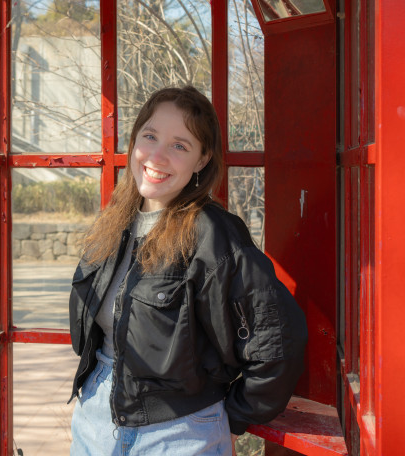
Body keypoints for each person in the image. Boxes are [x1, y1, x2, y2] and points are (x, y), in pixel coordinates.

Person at [68, 86, 307, 456]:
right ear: (134, 142)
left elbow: (278, 343)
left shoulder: (214, 235)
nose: (157, 156)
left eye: (180, 145)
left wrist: (236, 417)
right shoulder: (116, 223)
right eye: (150, 136)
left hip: (180, 433)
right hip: (95, 420)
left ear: (201, 160)